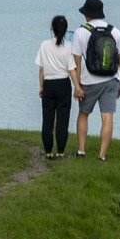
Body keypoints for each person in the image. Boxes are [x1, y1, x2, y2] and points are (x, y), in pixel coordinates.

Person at [70, 0, 120, 161]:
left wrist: (77, 86)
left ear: (87, 14)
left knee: (83, 114)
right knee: (107, 116)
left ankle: (81, 150)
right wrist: (119, 82)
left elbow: (76, 61)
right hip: (111, 80)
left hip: (89, 81)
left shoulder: (81, 32)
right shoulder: (115, 31)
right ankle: (102, 156)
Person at [35, 13, 74, 159]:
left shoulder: (44, 45)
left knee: (47, 118)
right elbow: (71, 69)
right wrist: (77, 86)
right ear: (65, 30)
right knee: (63, 118)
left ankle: (48, 151)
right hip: (63, 83)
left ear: (52, 28)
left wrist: (41, 86)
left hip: (49, 84)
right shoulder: (69, 46)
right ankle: (61, 151)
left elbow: (41, 69)